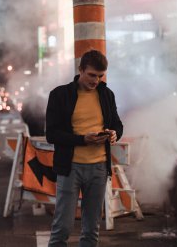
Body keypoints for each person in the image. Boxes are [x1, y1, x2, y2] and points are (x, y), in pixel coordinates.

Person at [46, 50, 123, 247]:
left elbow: (117, 124)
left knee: (91, 230)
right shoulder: (60, 95)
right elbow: (52, 134)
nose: (95, 80)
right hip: (70, 167)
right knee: (62, 227)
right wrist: (82, 139)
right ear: (80, 70)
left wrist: (114, 134)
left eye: (100, 76)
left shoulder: (107, 95)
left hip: (98, 168)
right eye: (91, 75)